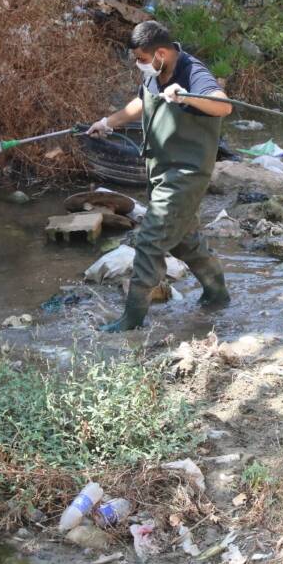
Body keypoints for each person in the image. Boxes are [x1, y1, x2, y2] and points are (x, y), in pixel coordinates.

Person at [86, 21, 233, 332]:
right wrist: (107, 122)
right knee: (184, 242)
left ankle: (132, 319)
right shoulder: (154, 71)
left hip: (186, 175)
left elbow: (223, 106)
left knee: (150, 242)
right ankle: (218, 295)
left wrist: (187, 97)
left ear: (161, 54)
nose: (138, 63)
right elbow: (141, 101)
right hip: (161, 171)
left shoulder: (192, 73)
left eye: (141, 57)